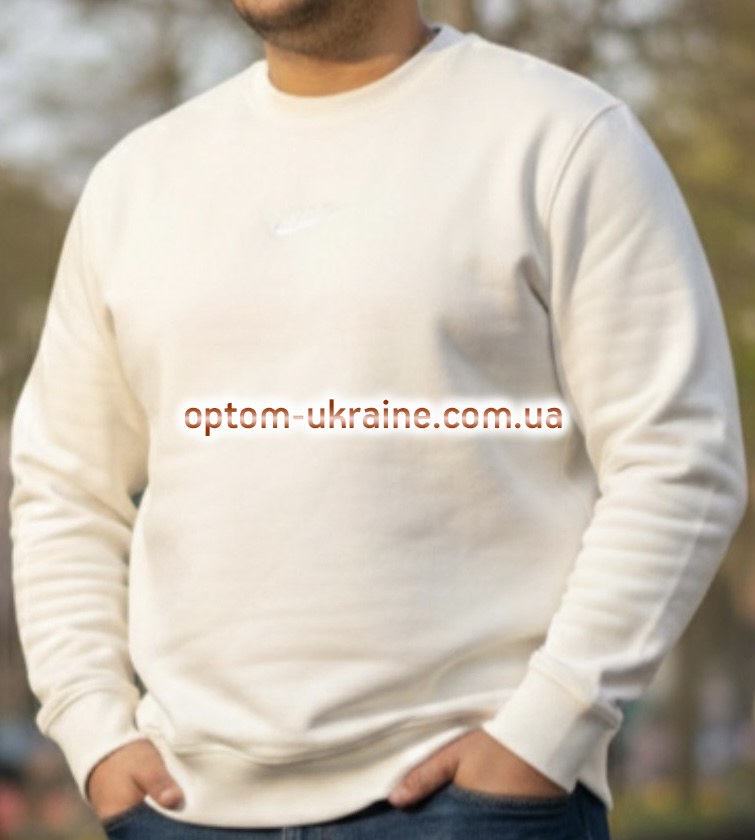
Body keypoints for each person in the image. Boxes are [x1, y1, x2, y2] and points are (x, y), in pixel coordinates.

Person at [8, 0, 748, 838]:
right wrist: (94, 732)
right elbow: (64, 488)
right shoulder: (135, 183)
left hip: (474, 806)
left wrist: (546, 729)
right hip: (180, 808)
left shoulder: (561, 138)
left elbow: (678, 456)